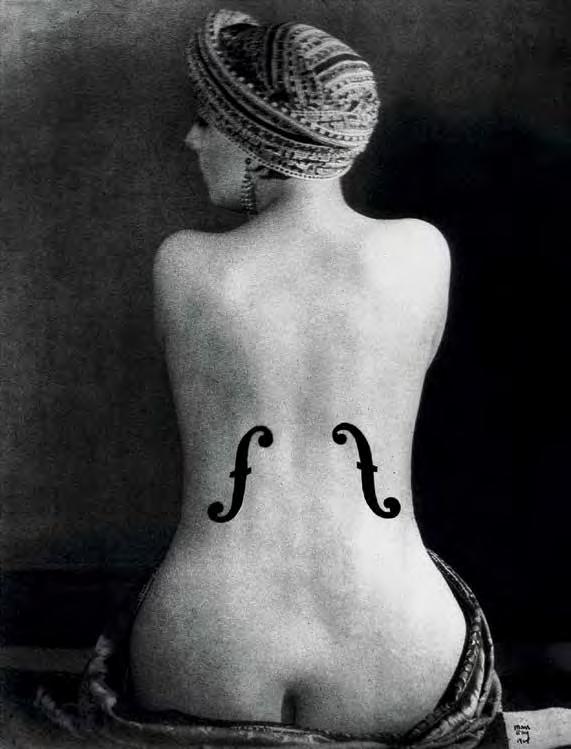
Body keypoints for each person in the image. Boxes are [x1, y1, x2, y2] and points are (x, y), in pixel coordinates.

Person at [39, 9, 504, 747]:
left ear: (257, 138)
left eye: (207, 120)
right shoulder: (422, 252)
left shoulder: (184, 263)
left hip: (210, 641)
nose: (191, 140)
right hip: (397, 641)